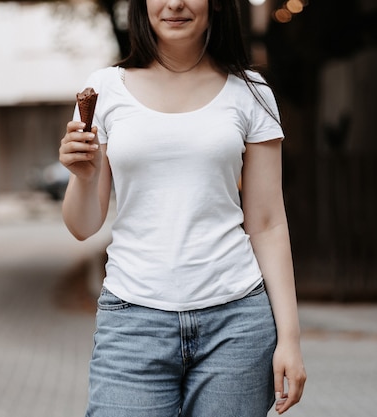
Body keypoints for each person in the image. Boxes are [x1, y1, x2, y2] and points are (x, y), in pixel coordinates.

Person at [59, 0, 306, 415]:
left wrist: (291, 339)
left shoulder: (250, 91)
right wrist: (84, 177)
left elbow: (266, 223)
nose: (175, 3)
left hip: (236, 323)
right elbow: (83, 227)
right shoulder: (105, 90)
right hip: (133, 321)